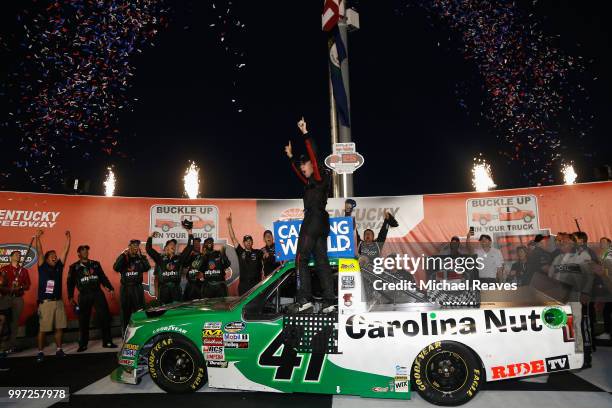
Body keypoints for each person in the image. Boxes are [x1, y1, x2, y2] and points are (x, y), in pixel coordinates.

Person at [283, 118, 335, 313]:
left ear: (312, 165)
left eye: (304, 165)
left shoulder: (319, 176)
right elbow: (297, 172)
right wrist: (290, 157)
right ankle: (329, 301)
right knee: (321, 260)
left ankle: (304, 298)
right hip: (322, 223)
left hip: (313, 220)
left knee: (301, 258)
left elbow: (313, 155)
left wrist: (305, 132)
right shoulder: (312, 182)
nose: (302, 168)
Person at [68, 245, 116, 352]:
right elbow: (70, 283)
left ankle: (107, 341)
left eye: (86, 251)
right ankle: (83, 344)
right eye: (83, 251)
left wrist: (110, 288)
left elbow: (103, 277)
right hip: (84, 295)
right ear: (78, 254)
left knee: (105, 317)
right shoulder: (74, 267)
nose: (85, 252)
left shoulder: (95, 264)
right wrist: (70, 296)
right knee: (83, 320)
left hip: (97, 293)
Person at [34, 229, 70, 363]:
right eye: (52, 255)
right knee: (43, 329)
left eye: (55, 255)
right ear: (47, 258)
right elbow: (39, 251)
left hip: (58, 302)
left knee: (59, 327)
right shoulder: (42, 266)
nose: (55, 256)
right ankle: (40, 352)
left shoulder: (59, 267)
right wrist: (37, 238)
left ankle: (59, 349)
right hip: (46, 303)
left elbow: (65, 252)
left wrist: (68, 239)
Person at [146, 227, 194, 304]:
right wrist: (150, 237)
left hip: (176, 289)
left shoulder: (179, 258)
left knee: (176, 311)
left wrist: (190, 232)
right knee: (164, 312)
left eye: (175, 245)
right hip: (163, 289)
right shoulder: (160, 258)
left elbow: (190, 247)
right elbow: (148, 249)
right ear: (166, 247)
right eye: (171, 244)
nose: (174, 246)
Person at [113, 239, 151, 331]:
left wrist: (141, 257)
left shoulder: (140, 258)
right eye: (133, 245)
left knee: (140, 310)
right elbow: (116, 268)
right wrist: (123, 255)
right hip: (125, 288)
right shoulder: (123, 257)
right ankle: (125, 333)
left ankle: (140, 331)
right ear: (129, 246)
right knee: (125, 312)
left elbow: (147, 267)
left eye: (137, 245)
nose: (135, 247)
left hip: (137, 287)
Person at [0, 250, 31, 352]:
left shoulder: (23, 270)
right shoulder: (4, 270)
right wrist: (10, 289)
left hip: (18, 299)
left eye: (20, 255)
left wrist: (20, 286)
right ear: (11, 257)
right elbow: (0, 286)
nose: (18, 256)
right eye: (16, 255)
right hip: (5, 298)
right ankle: (2, 345)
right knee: (3, 321)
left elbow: (27, 285)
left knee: (14, 322)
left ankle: (12, 345)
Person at [227, 213, 263, 295]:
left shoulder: (258, 252)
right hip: (244, 285)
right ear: (243, 243)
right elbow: (233, 238)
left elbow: (266, 254)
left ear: (252, 242)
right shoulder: (240, 251)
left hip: (256, 284)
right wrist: (229, 224)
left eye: (250, 241)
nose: (248, 242)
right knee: (243, 306)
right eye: (246, 241)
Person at [595, 237, 612, 340]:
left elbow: (607, 271)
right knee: (607, 310)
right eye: (600, 242)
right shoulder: (605, 254)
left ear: (609, 244)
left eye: (604, 242)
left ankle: (607, 332)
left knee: (607, 310)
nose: (601, 244)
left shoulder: (609, 255)